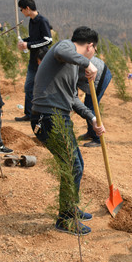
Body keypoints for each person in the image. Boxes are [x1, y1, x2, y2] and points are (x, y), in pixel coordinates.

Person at [30, 26, 104, 236]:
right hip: (47, 118)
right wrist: (88, 63)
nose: (93, 54)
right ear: (90, 45)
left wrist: (92, 118)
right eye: (94, 51)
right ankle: (65, 219)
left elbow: (72, 99)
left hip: (59, 117)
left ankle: (71, 208)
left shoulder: (71, 66)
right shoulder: (64, 46)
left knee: (77, 164)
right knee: (72, 166)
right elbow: (63, 52)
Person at [15, 0, 52, 122]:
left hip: (42, 60)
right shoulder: (31, 21)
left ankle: (43, 115)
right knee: (29, 87)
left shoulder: (42, 21)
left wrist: (29, 45)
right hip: (32, 60)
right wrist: (24, 41)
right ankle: (29, 114)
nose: (22, 12)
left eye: (22, 10)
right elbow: (34, 38)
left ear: (27, 8)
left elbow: (48, 40)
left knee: (42, 88)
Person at [76, 56, 113, 148]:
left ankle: (98, 139)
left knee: (91, 106)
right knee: (88, 105)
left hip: (100, 76)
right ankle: (91, 133)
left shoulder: (63, 60)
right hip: (94, 75)